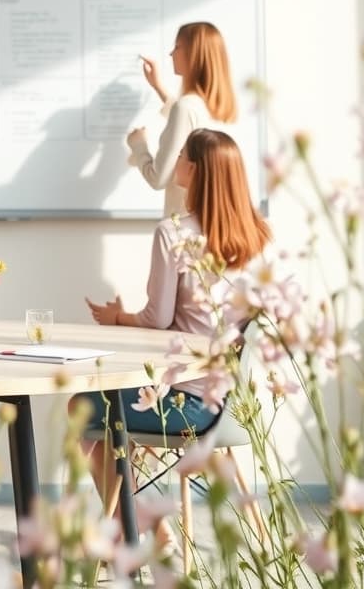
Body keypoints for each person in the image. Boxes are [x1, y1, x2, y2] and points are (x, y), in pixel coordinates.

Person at [75, 128, 271, 508]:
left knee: (81, 408)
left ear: (194, 170)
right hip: (232, 405)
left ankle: (131, 529)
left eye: (180, 155)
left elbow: (157, 319)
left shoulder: (173, 233)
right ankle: (139, 525)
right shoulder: (257, 238)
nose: (175, 160)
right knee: (116, 419)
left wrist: (118, 317)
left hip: (185, 403)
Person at [127, 21, 237, 216]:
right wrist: (158, 87)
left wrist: (139, 146)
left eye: (177, 47)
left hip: (182, 223)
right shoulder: (215, 107)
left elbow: (158, 179)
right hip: (207, 220)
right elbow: (189, 120)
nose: (171, 54)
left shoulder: (185, 108)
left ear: (194, 55)